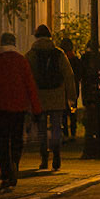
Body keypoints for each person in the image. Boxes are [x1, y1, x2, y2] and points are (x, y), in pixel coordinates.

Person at [0, 31, 40, 190]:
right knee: (16, 139)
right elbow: (30, 85)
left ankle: (5, 173)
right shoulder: (21, 61)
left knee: (2, 141)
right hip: (18, 107)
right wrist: (36, 108)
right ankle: (14, 162)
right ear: (14, 44)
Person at [26, 23, 75, 172]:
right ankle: (57, 152)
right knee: (56, 127)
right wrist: (71, 97)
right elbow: (69, 75)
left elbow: (27, 77)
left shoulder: (31, 55)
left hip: (39, 97)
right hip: (57, 96)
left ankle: (44, 158)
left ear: (36, 37)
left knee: (41, 129)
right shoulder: (59, 54)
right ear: (50, 36)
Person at [57, 34, 82, 142]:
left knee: (63, 112)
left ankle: (65, 133)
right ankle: (73, 132)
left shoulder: (60, 59)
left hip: (62, 88)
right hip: (73, 87)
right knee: (73, 110)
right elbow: (80, 74)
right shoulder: (75, 59)